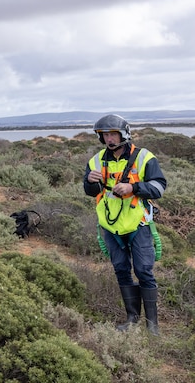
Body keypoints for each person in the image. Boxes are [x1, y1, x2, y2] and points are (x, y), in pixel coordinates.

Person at [84, 114, 166, 335]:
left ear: (124, 134)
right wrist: (90, 182)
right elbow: (90, 191)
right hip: (110, 226)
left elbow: (159, 188)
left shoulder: (145, 158)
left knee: (143, 271)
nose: (109, 139)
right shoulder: (96, 161)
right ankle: (132, 318)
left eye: (113, 134)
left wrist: (133, 188)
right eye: (105, 135)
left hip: (137, 224)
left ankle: (152, 325)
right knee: (121, 269)